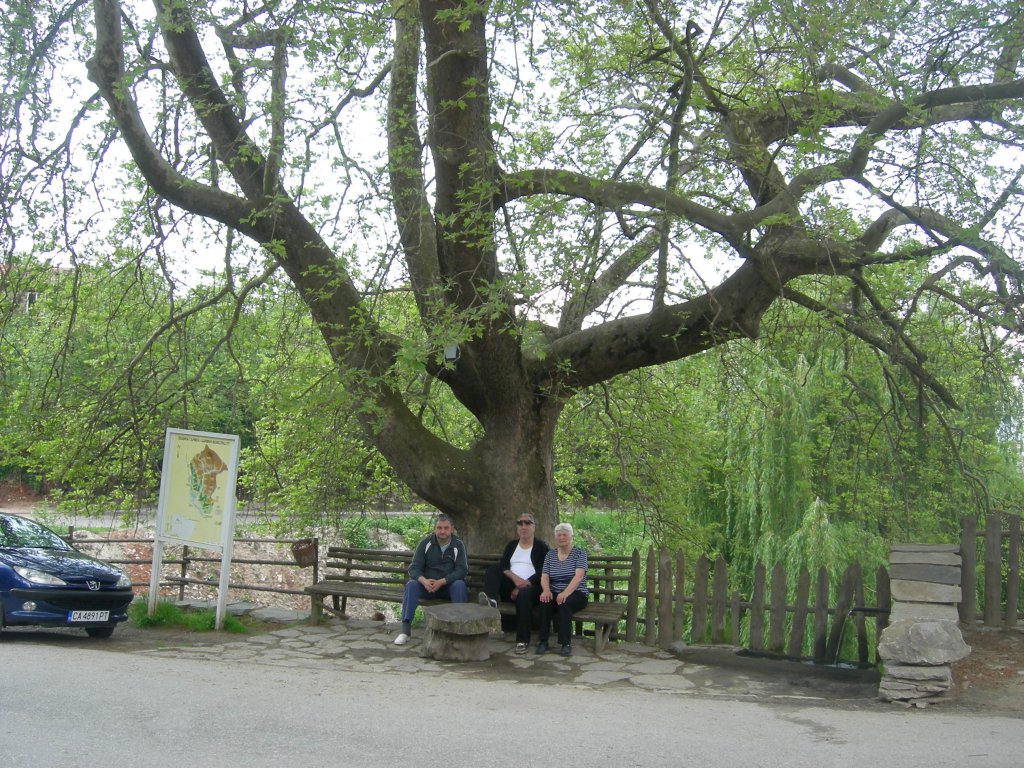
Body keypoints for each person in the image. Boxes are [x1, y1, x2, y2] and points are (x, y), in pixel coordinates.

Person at [479, 513, 550, 655]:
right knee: (493, 570)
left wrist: (523, 585)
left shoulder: (541, 547)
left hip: (532, 589)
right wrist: (514, 579)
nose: (523, 526)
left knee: (524, 594)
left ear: (534, 527)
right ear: (517, 528)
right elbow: (503, 565)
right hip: (511, 587)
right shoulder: (512, 545)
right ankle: (491, 602)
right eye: (520, 523)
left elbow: (544, 570)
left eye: (527, 523)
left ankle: (522, 641)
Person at [393, 514, 468, 645]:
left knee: (460, 585)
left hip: (447, 587)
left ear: (452, 529)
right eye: (439, 528)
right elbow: (414, 568)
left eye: (446, 528)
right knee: (411, 585)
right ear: (434, 529)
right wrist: (424, 581)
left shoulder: (458, 545)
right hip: (427, 587)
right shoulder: (425, 543)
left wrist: (442, 581)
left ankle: (459, 630)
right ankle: (405, 631)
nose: (442, 531)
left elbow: (462, 571)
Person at [536, 522, 588, 657]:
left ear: (571, 537)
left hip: (576, 593)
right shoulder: (550, 555)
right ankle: (543, 641)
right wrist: (546, 590)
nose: (561, 537)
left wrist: (565, 593)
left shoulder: (579, 553)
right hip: (555, 591)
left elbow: (578, 576)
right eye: (559, 535)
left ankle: (566, 644)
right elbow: (544, 576)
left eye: (565, 534)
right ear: (555, 538)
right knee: (545, 601)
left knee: (564, 602)